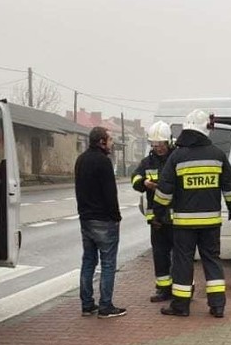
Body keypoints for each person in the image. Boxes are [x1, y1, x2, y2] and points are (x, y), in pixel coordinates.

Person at [153, 110, 231, 318]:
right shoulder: (218, 155)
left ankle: (181, 306)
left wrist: (158, 214)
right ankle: (217, 306)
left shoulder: (177, 156)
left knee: (183, 262)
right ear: (205, 130)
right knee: (212, 260)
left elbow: (165, 190)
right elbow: (230, 185)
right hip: (211, 223)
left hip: (184, 224)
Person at [74, 126, 126, 319]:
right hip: (104, 221)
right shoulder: (104, 162)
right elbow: (110, 194)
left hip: (86, 220)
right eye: (110, 139)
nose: (112, 143)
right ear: (101, 142)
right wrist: (116, 217)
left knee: (88, 261)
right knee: (108, 263)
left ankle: (87, 304)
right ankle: (106, 306)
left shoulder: (81, 160)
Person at [131, 121, 175, 302]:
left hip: (175, 217)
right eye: (155, 145)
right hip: (156, 220)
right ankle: (163, 289)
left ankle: (184, 288)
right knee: (159, 254)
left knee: (180, 256)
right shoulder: (147, 162)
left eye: (161, 145)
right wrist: (143, 183)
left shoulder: (176, 159)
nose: (158, 148)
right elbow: (135, 178)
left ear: (169, 142)